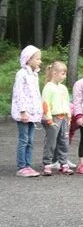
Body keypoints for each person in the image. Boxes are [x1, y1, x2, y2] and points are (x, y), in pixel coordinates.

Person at [12, 45, 43, 177]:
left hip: (32, 113)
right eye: (37, 59)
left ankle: (28, 165)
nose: (40, 61)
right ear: (28, 59)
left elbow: (36, 94)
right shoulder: (22, 74)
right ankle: (21, 166)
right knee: (24, 139)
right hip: (24, 113)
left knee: (30, 140)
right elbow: (19, 94)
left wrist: (39, 111)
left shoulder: (34, 75)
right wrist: (23, 111)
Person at [41, 61, 73, 176]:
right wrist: (49, 119)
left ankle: (63, 163)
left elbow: (67, 102)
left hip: (64, 118)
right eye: (63, 74)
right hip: (53, 119)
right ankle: (47, 164)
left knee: (64, 141)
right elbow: (45, 104)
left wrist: (69, 116)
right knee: (51, 142)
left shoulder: (63, 88)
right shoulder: (48, 87)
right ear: (54, 73)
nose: (64, 76)